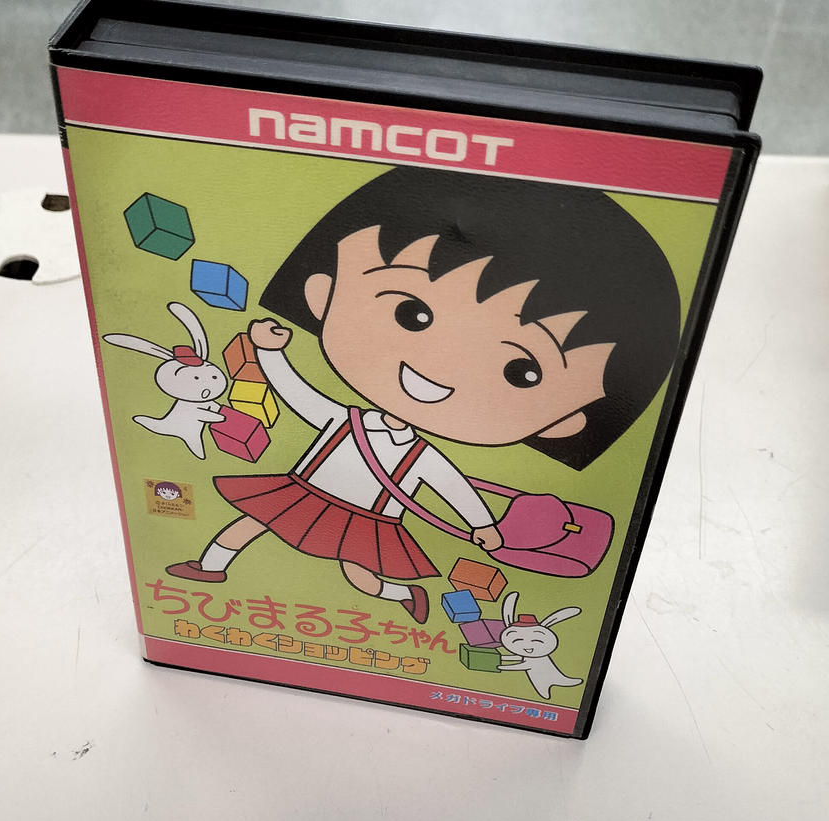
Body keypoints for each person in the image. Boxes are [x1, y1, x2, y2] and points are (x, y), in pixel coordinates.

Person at [165, 167, 682, 622]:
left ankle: (400, 593)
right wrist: (270, 354)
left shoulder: (419, 455)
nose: (437, 367)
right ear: (323, 295)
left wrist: (485, 526)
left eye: (521, 371)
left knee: (358, 575)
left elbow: (453, 486)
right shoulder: (347, 421)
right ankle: (210, 567)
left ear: (563, 423)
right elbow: (299, 396)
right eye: (411, 313)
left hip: (366, 517)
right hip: (304, 492)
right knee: (250, 522)